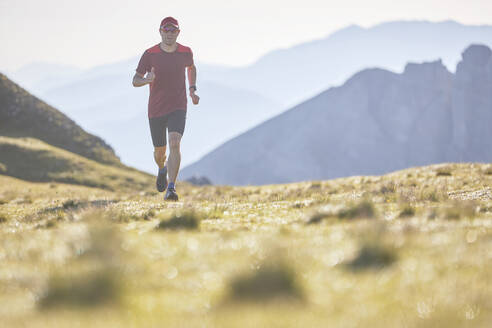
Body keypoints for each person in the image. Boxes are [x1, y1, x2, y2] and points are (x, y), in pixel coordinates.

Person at [132, 16, 199, 201]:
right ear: (160, 32)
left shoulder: (186, 52)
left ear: (178, 32)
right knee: (160, 153)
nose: (169, 34)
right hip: (156, 109)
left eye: (173, 31)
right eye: (166, 30)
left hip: (178, 106)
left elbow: (191, 68)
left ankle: (171, 188)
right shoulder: (150, 54)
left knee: (175, 143)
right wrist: (147, 80)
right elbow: (135, 80)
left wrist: (192, 90)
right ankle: (162, 169)